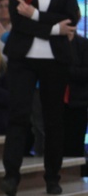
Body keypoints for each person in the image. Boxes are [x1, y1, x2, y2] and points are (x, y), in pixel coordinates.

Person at [0, 0, 79, 196]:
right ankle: (11, 175)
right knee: (18, 116)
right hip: (23, 58)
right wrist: (54, 28)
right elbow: (18, 21)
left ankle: (52, 179)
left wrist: (34, 14)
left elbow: (72, 17)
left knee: (54, 119)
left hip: (55, 60)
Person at [63, 27, 88, 176]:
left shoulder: (83, 44)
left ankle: (74, 176)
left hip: (78, 101)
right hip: (54, 100)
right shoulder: (51, 42)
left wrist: (66, 70)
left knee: (75, 143)